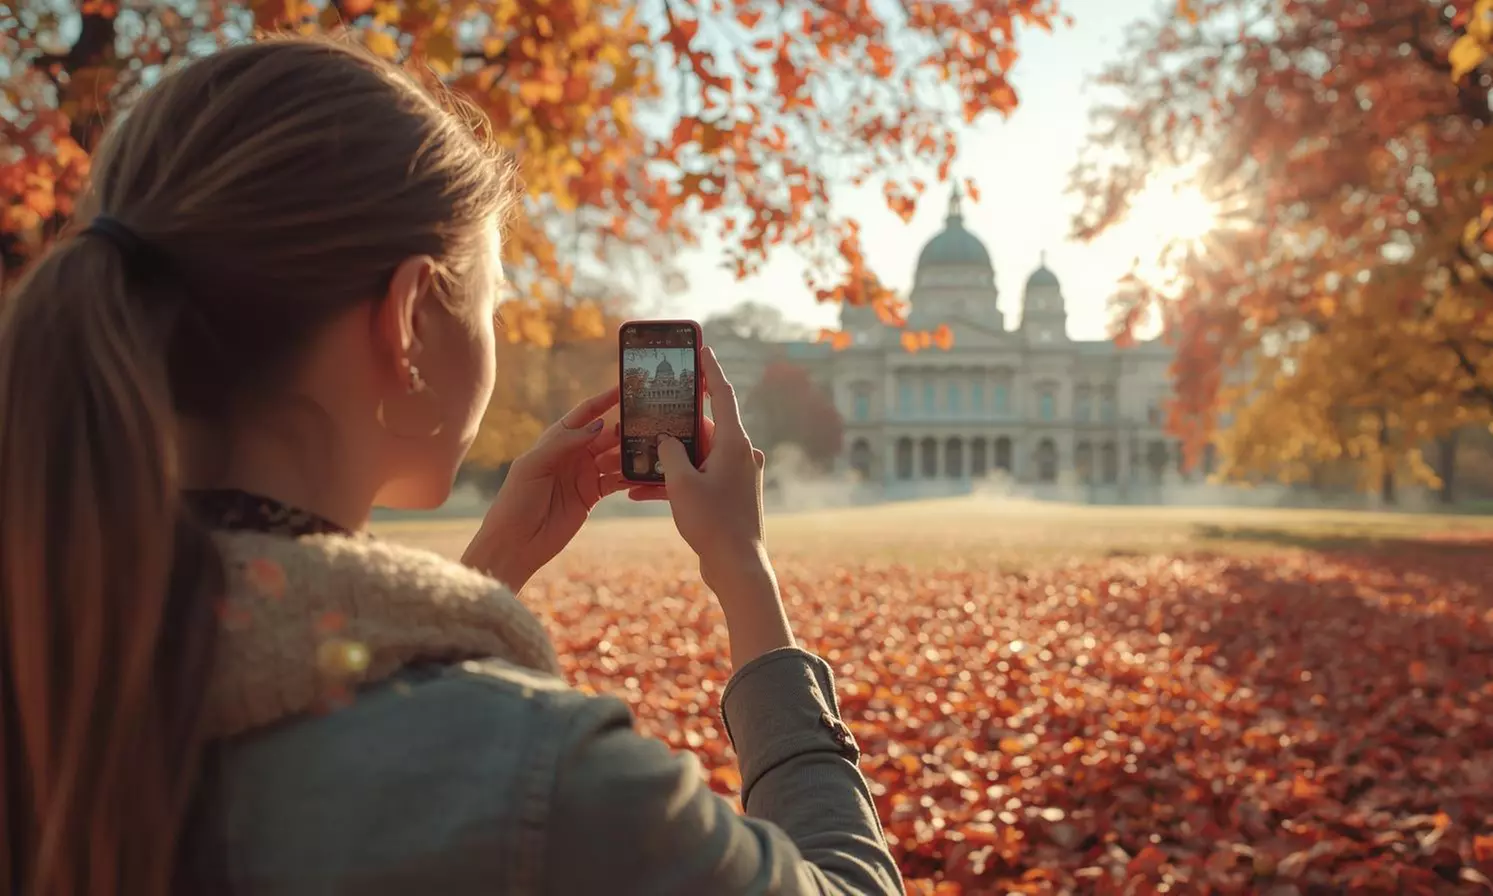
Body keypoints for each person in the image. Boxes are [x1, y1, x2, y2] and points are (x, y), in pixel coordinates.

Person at [0, 36, 901, 896]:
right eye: (492, 302)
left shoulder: (62, 662)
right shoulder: (546, 779)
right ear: (410, 320)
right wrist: (744, 574)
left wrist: (488, 575)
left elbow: (314, 677)